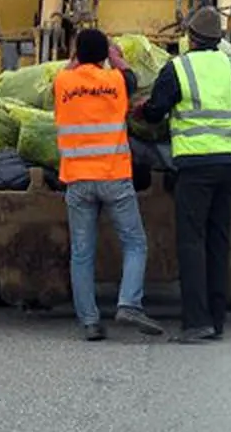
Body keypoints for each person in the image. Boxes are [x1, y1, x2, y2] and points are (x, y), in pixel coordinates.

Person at [134, 6, 231, 343]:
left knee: (191, 242)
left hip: (196, 165)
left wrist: (142, 110)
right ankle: (217, 319)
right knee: (218, 241)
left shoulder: (178, 67)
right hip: (229, 162)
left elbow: (156, 112)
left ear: (190, 38)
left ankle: (197, 322)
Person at [54, 28, 165, 342]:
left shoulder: (63, 82)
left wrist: (77, 58)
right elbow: (131, 78)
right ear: (104, 56)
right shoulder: (116, 82)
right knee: (134, 243)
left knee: (82, 253)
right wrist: (116, 58)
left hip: (77, 180)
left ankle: (89, 321)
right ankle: (129, 302)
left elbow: (66, 72)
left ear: (76, 55)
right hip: (114, 176)